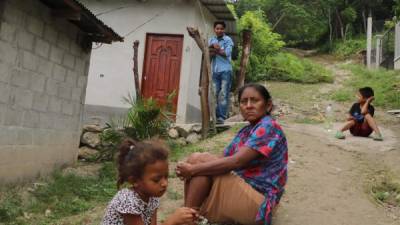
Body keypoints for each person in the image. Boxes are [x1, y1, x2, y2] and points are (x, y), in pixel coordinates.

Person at [176, 83, 288, 225]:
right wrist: (194, 165)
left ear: (268, 105)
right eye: (243, 101)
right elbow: (222, 159)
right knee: (197, 159)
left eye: (254, 100)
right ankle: (189, 215)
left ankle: (187, 217)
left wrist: (191, 170)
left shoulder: (268, 126)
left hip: (259, 203)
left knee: (199, 161)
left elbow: (236, 162)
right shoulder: (246, 131)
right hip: (244, 192)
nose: (248, 105)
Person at [102, 139, 198, 225]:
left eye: (166, 177)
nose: (165, 183)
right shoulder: (127, 200)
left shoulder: (152, 197)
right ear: (134, 180)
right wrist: (171, 221)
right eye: (156, 180)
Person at [209, 21, 234, 124]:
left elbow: (226, 53)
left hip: (225, 71)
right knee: (214, 93)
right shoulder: (212, 39)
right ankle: (214, 116)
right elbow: (208, 51)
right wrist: (213, 47)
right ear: (214, 29)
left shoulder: (228, 40)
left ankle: (222, 117)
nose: (219, 30)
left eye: (221, 29)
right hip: (215, 71)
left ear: (224, 30)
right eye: (217, 28)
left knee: (223, 94)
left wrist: (217, 49)